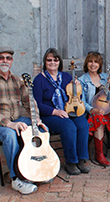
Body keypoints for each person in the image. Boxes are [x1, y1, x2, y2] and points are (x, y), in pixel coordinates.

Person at [0, 46, 48, 195]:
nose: (5, 61)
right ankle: (16, 178)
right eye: (1, 58)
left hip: (15, 119)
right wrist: (9, 124)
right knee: (10, 135)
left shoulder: (17, 80)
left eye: (8, 58)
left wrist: (36, 119)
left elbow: (29, 101)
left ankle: (38, 167)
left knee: (41, 129)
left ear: (12, 61)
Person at [33, 48, 90, 176]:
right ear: (45, 62)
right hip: (49, 114)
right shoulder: (39, 80)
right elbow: (37, 105)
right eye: (49, 60)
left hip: (67, 110)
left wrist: (76, 87)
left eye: (55, 60)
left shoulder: (65, 76)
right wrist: (55, 111)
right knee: (68, 126)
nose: (52, 62)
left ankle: (81, 159)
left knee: (83, 124)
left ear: (59, 62)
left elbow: (75, 97)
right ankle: (70, 162)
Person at [79, 52, 110, 166]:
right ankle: (99, 154)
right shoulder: (82, 80)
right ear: (86, 63)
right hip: (92, 111)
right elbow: (82, 101)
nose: (93, 64)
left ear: (100, 64)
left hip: (106, 109)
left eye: (96, 62)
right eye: (90, 61)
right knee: (99, 119)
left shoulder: (105, 77)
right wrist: (92, 110)